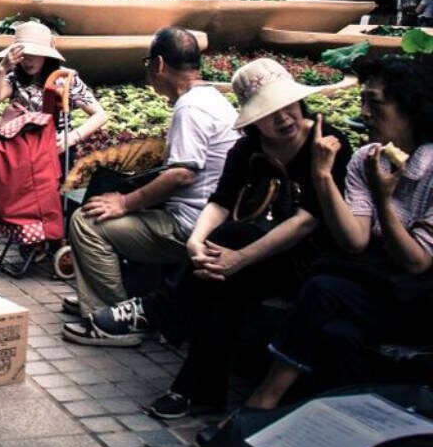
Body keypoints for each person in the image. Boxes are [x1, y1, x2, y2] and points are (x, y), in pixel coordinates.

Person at [86, 59, 355, 418]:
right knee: (220, 278)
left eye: (288, 106)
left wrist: (239, 258)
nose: (284, 119)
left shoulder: (328, 143)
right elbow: (220, 202)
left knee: (229, 248)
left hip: (310, 261)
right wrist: (196, 242)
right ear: (253, 118)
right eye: (270, 112)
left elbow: (307, 223)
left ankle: (162, 316)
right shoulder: (248, 149)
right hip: (257, 254)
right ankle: (198, 392)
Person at [241, 56, 433, 414]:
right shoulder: (366, 158)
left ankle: (263, 400)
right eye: (362, 101)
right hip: (382, 291)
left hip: (420, 294)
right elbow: (355, 240)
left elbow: (417, 262)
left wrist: (383, 199)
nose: (364, 113)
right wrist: (322, 177)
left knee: (322, 288)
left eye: (374, 103)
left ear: (411, 108)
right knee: (337, 334)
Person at [61, 27, 241, 342]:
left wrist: (126, 203)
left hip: (192, 226)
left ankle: (114, 317)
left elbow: (182, 174)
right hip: (209, 218)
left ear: (158, 64)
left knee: (87, 222)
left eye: (148, 63)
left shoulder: (191, 107)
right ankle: (107, 299)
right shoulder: (211, 98)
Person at [0, 22, 107, 253]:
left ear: (47, 55)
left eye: (35, 54)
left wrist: (71, 138)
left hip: (49, 151)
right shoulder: (16, 76)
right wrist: (3, 68)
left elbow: (100, 115)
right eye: (24, 53)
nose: (29, 60)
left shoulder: (63, 79)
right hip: (16, 146)